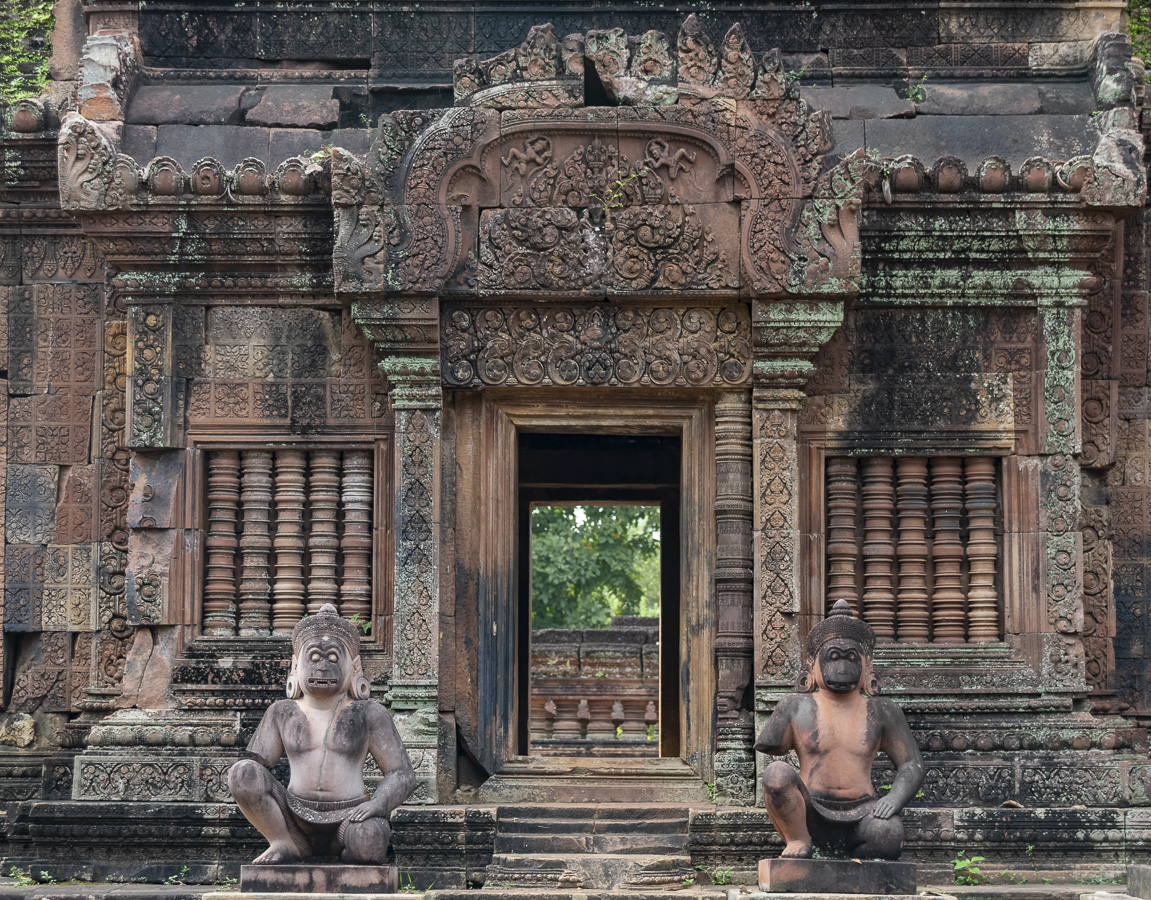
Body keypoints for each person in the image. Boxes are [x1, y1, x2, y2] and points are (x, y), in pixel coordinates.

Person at [229, 603, 416, 864]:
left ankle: (346, 852)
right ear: (296, 666)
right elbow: (258, 768)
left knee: (370, 842)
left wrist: (378, 805)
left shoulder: (369, 713)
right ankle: (283, 842)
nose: (323, 666)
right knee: (242, 772)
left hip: (351, 816)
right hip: (292, 817)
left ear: (354, 667)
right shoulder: (282, 711)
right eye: (314, 657)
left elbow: (402, 773)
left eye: (334, 658)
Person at [753, 599, 924, 860]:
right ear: (812, 666)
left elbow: (911, 764)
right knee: (776, 774)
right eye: (833, 656)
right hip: (809, 810)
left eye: (851, 658)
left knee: (888, 836)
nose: (842, 667)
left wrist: (894, 799)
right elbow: (771, 752)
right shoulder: (795, 707)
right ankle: (799, 841)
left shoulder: (882, 711)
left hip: (864, 813)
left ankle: (842, 859)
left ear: (867, 666)